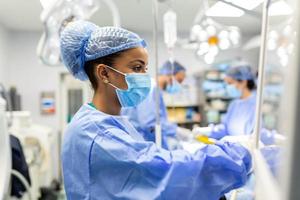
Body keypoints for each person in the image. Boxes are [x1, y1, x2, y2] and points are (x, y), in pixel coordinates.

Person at [60, 20, 252, 200]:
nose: (144, 76)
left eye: (145, 68)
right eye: (136, 67)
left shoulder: (107, 121)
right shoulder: (95, 133)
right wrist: (239, 156)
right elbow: (160, 170)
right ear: (104, 73)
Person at [121, 60, 187, 150]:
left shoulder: (154, 90)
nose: (179, 85)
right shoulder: (150, 89)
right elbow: (149, 124)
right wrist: (174, 131)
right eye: (178, 81)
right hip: (140, 144)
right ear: (168, 74)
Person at [195, 64, 257, 140]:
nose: (227, 87)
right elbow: (226, 128)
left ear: (243, 82)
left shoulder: (256, 105)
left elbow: (254, 138)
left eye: (230, 83)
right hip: (233, 148)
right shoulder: (234, 104)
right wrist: (206, 131)